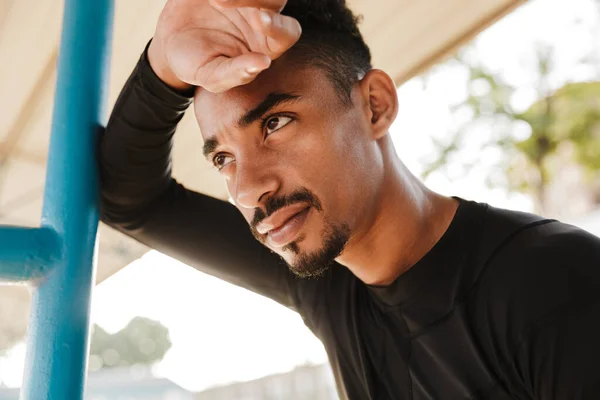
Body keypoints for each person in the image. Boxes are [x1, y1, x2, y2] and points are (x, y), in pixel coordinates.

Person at [99, 0, 600, 398]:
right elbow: (130, 200)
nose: (249, 189)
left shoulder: (555, 284)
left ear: (375, 106)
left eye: (274, 124)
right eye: (222, 158)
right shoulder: (329, 283)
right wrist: (163, 63)